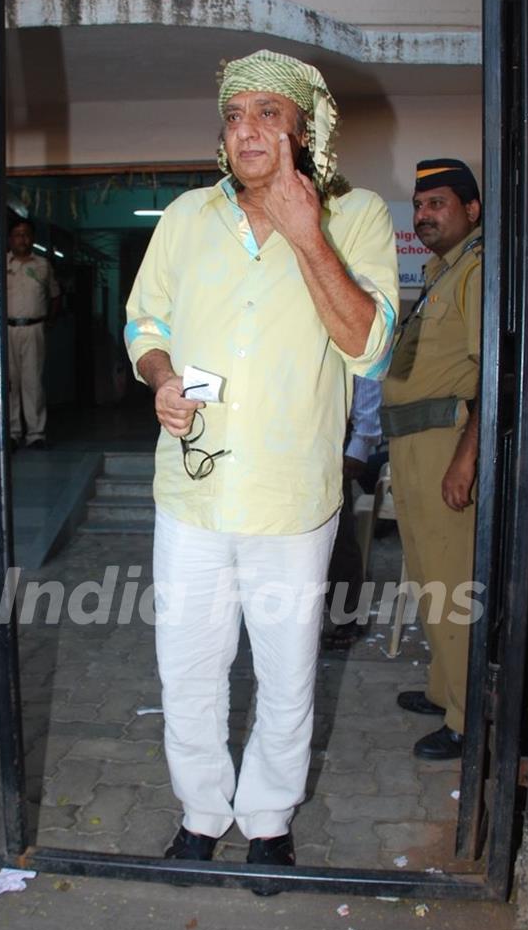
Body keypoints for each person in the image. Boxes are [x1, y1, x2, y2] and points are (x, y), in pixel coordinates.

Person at [124, 49, 398, 882]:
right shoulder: (185, 218)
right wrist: (162, 376)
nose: (247, 128)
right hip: (192, 495)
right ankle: (203, 814)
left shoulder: (358, 217)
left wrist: (304, 226)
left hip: (293, 500)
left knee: (286, 672)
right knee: (190, 670)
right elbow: (144, 323)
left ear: (304, 127)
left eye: (267, 113)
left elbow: (369, 343)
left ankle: (270, 818)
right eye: (235, 114)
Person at [380, 158, 482, 761]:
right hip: (414, 444)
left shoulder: (475, 271)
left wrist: (465, 461)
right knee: (428, 580)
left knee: (453, 583)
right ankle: (446, 692)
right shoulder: (444, 270)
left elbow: (490, 379)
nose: (423, 215)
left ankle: (469, 721)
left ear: (470, 209)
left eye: (437, 203)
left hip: (447, 442)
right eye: (419, 205)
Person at [0, 219, 60, 449]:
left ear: (33, 238)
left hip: (34, 329)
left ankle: (36, 433)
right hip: (5, 330)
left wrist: (50, 321)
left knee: (33, 382)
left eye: (26, 234)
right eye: (17, 234)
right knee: (8, 383)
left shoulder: (42, 265)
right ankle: (14, 432)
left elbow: (56, 295)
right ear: (10, 239)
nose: (22, 239)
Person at [324, 376, 383, 648]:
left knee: (336, 533)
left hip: (328, 435)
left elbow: (364, 374)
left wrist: (362, 441)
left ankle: (347, 615)